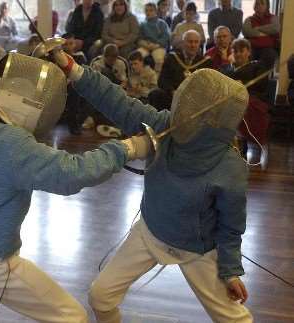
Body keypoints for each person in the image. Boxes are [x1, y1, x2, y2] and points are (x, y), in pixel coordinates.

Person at [0, 52, 149, 323]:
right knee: (73, 317)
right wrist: (128, 148)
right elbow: (72, 173)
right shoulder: (14, 145)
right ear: (32, 107)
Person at [53, 42, 253, 323]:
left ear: (214, 122)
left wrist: (231, 270)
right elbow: (116, 101)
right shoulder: (165, 126)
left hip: (197, 249)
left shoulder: (229, 167)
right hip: (150, 231)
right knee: (100, 296)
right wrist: (70, 68)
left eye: (192, 112)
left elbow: (231, 226)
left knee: (236, 319)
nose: (182, 115)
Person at [221, 38, 270, 168]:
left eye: (241, 51)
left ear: (248, 52)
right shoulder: (226, 69)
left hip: (251, 98)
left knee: (245, 106)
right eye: (235, 51)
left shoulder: (257, 66)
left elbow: (262, 85)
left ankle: (242, 143)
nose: (238, 54)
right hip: (228, 100)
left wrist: (244, 87)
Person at [154, 30, 212, 110]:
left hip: (195, 99)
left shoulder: (206, 62)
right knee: (155, 94)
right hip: (173, 96)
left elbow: (207, 85)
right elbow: (162, 80)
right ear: (183, 43)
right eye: (190, 42)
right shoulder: (172, 58)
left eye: (196, 42)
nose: (193, 45)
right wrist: (172, 91)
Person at [62, 33, 88, 135]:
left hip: (77, 84)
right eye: (66, 44)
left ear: (74, 44)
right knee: (74, 91)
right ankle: (73, 124)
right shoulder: (59, 58)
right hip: (63, 86)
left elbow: (84, 73)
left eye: (71, 43)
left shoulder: (80, 57)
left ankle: (78, 122)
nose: (68, 46)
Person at [242, 0, 279, 69]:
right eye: (257, 3)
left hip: (268, 48)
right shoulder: (249, 19)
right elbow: (246, 31)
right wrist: (265, 33)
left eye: (262, 3)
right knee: (246, 55)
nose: (259, 5)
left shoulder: (273, 18)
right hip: (252, 47)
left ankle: (263, 79)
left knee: (269, 55)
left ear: (267, 6)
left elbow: (275, 29)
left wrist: (256, 28)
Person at [137, 2, 170, 74]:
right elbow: (139, 38)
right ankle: (141, 75)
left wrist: (156, 45)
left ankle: (155, 79)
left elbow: (166, 37)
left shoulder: (162, 23)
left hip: (158, 46)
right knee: (137, 56)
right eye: (146, 10)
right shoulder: (143, 24)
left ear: (156, 11)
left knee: (159, 59)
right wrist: (145, 44)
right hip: (146, 46)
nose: (148, 12)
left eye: (151, 10)